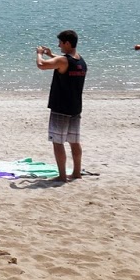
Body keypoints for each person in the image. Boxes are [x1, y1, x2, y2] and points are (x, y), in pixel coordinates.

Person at [35, 29, 88, 181]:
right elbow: (63, 63)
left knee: (58, 143)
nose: (59, 46)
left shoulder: (63, 61)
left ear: (67, 43)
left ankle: (62, 176)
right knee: (74, 142)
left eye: (60, 43)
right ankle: (76, 172)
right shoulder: (80, 61)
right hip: (75, 108)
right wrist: (51, 55)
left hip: (61, 108)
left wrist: (39, 53)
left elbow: (41, 65)